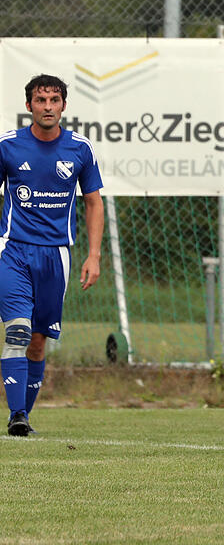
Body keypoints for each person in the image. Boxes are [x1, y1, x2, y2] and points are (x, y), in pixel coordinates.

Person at [0, 74, 104, 436]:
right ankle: (16, 415)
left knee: (39, 339)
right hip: (12, 250)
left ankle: (22, 416)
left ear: (63, 105)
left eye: (54, 100)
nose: (47, 107)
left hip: (57, 255)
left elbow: (93, 202)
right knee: (17, 330)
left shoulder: (80, 149)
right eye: (40, 100)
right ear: (29, 106)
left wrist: (94, 256)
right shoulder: (8, 146)